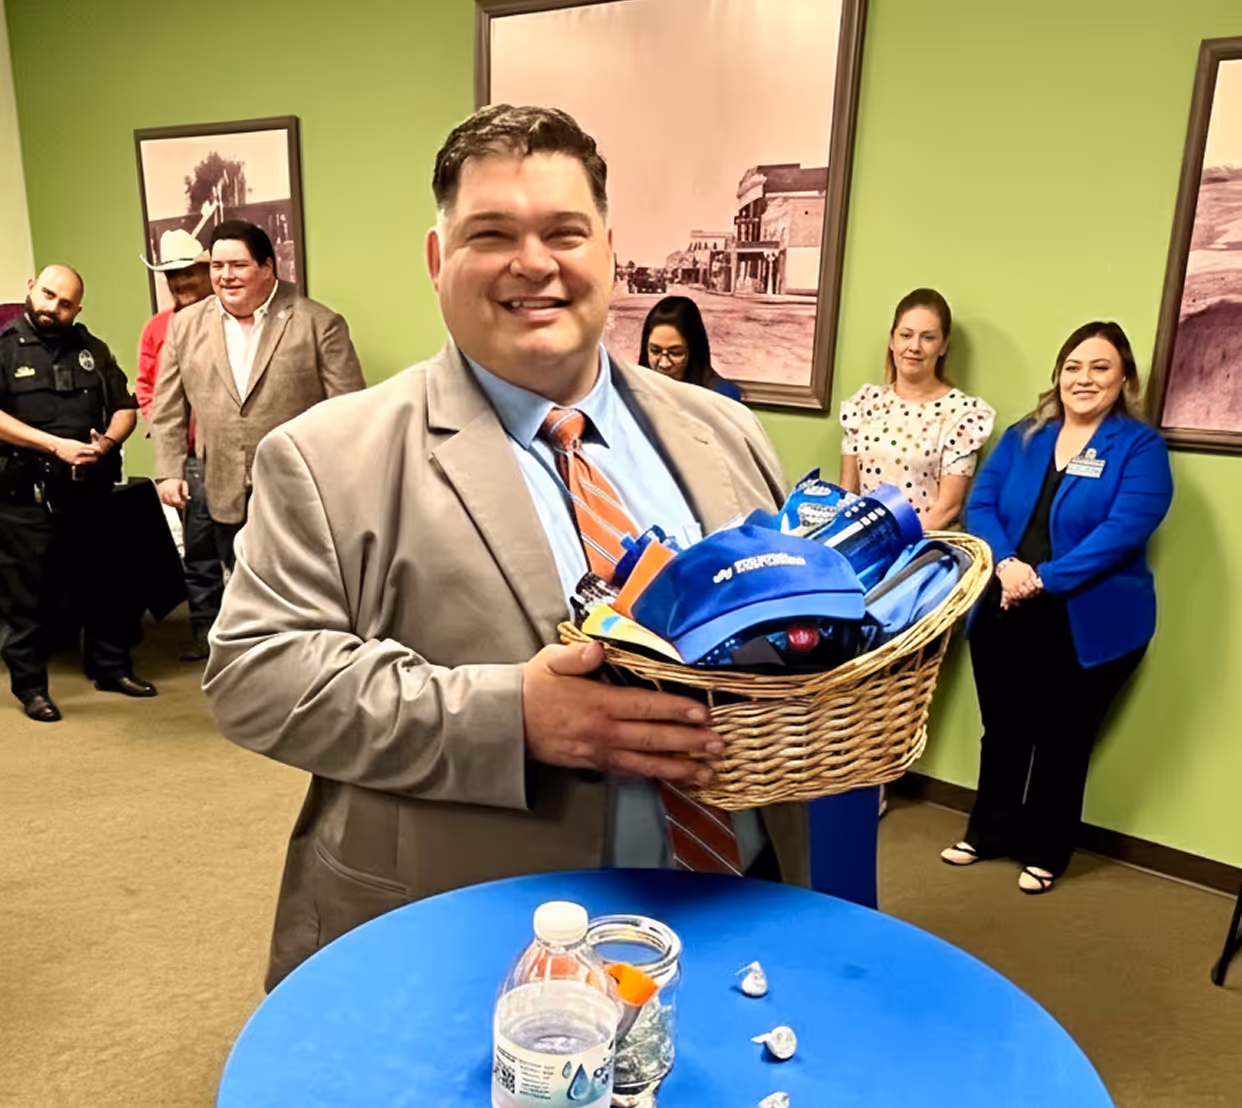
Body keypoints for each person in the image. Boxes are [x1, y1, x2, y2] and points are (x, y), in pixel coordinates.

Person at [202, 104, 809, 989]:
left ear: (609, 250)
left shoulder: (728, 432)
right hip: (473, 935)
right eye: (492, 233)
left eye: (565, 231)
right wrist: (511, 719)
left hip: (738, 903)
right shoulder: (327, 455)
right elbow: (255, 677)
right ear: (438, 258)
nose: (535, 263)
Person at [942, 321, 1173, 894]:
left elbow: (1124, 530)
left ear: (1124, 379)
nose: (1084, 378)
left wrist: (1041, 578)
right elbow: (983, 502)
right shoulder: (1026, 434)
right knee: (1004, 730)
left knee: (1063, 740)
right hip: (1007, 603)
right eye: (1073, 366)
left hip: (1090, 620)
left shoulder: (1140, 447)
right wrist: (1007, 565)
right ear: (1057, 376)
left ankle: (1046, 850)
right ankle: (990, 831)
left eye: (1100, 367)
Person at [149, 220, 365, 571]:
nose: (226, 276)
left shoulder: (319, 323)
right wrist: (169, 470)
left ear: (267, 268)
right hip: (220, 487)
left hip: (297, 491)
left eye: (238, 265)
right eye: (218, 266)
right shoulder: (185, 325)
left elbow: (350, 414)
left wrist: (347, 483)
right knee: (235, 584)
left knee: (299, 588)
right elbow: (168, 405)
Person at [0, 265, 155, 722]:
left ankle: (111, 669)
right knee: (25, 600)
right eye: (48, 295)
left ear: (77, 308)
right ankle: (31, 689)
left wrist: (105, 443)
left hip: (88, 492)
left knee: (105, 587)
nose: (53, 307)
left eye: (65, 303)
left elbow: (126, 408)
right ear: (31, 288)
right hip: (26, 496)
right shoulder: (5, 350)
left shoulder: (93, 348)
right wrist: (54, 446)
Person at [839, 288, 994, 529]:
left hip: (920, 549)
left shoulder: (962, 416)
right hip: (862, 544)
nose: (915, 346)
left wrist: (899, 546)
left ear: (943, 346)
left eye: (928, 337)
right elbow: (847, 494)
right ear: (892, 341)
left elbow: (948, 508)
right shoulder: (863, 405)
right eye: (906, 335)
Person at [135, 229, 220, 662]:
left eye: (188, 274)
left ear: (207, 270)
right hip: (191, 460)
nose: (181, 284)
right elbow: (147, 388)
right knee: (200, 551)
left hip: (238, 451)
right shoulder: (158, 328)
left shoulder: (231, 317)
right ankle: (205, 635)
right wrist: (168, 443)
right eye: (172, 278)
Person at [637, 294, 742, 400]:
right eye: (655, 351)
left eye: (676, 353)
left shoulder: (721, 396)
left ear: (694, 352)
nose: (664, 364)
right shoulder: (634, 391)